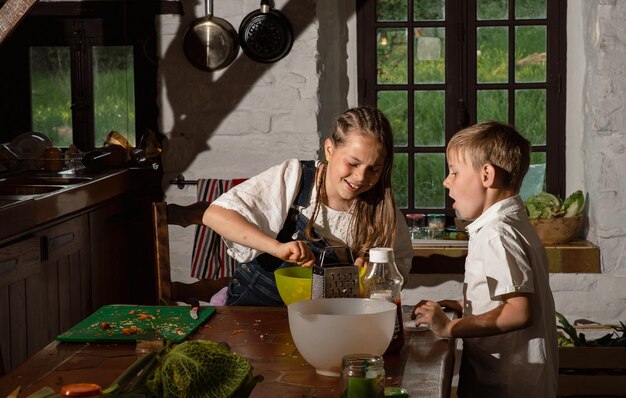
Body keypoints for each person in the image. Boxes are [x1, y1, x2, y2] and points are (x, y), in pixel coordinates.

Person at [202, 106, 413, 306]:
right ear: (329, 149)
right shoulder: (295, 177)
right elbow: (215, 215)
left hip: (327, 321)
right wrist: (277, 248)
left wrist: (370, 279)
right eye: (353, 163)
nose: (360, 177)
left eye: (373, 169)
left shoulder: (382, 209)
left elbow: (397, 274)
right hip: (255, 310)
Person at [411, 121, 558, 397]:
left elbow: (518, 311)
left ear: (487, 175)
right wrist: (461, 305)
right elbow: (506, 297)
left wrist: (449, 327)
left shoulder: (496, 233)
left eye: (454, 172)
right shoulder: (510, 222)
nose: (446, 181)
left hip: (506, 385)